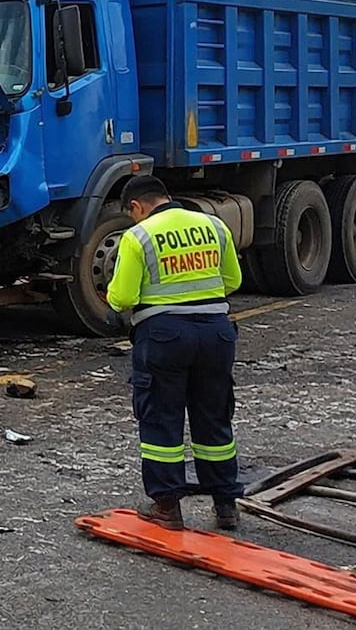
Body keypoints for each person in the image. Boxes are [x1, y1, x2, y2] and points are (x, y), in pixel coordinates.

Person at [105, 174, 244, 531]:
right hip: (216, 332)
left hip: (165, 335)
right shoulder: (213, 225)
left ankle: (168, 508)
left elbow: (122, 299)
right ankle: (226, 505)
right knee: (214, 416)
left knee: (161, 418)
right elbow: (233, 282)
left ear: (136, 207)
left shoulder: (138, 236)